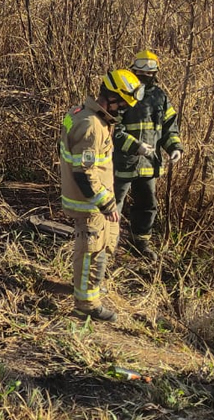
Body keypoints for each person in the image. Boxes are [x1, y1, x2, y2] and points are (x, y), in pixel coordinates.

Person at [59, 69, 145, 322]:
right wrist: (106, 203)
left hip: (97, 201)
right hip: (91, 204)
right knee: (91, 252)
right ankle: (86, 304)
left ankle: (89, 287)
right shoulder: (91, 126)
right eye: (123, 104)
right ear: (112, 98)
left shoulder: (79, 113)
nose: (124, 110)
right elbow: (84, 173)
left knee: (104, 245)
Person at [112, 50, 184, 261]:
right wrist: (135, 146)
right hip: (123, 162)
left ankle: (140, 242)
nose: (145, 76)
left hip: (149, 163)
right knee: (114, 203)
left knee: (147, 203)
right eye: (141, 72)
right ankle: (107, 243)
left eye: (149, 73)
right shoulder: (123, 92)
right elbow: (111, 129)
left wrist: (174, 148)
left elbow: (169, 126)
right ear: (133, 71)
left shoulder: (159, 97)